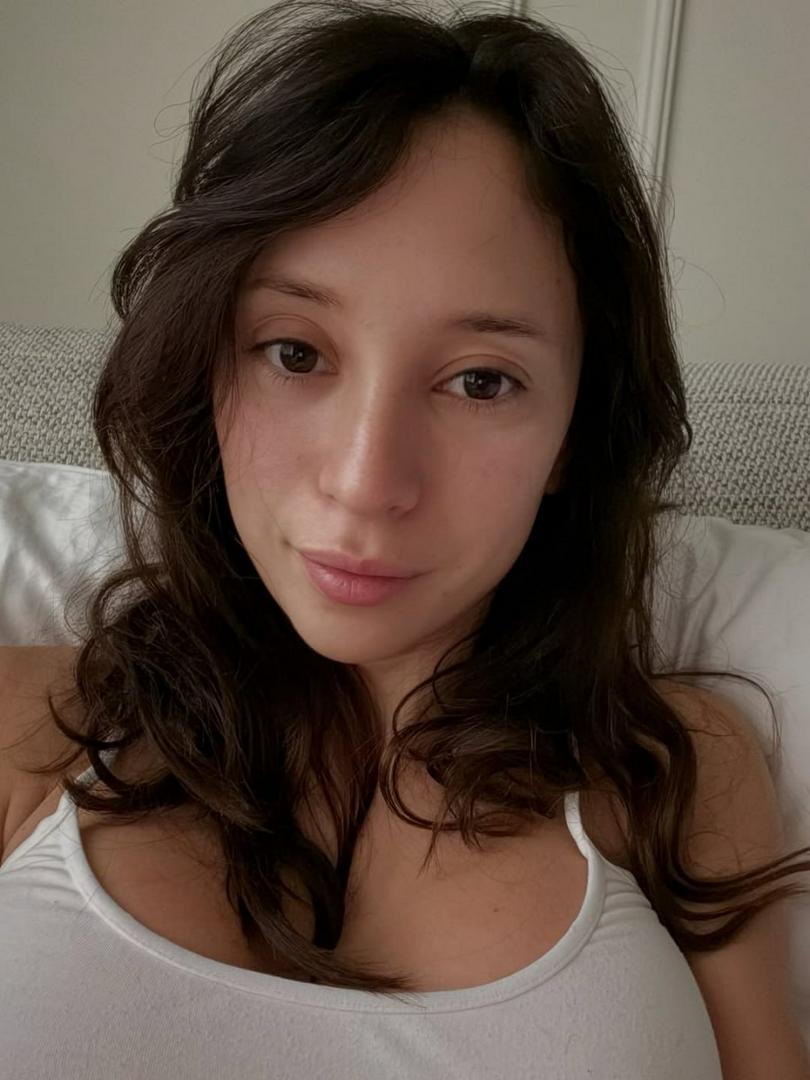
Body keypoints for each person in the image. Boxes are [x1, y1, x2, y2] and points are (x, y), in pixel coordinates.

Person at [1, 2, 809, 1077]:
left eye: (481, 381)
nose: (367, 481)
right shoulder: (23, 730)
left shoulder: (676, 770)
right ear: (206, 367)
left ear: (576, 432)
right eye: (294, 352)